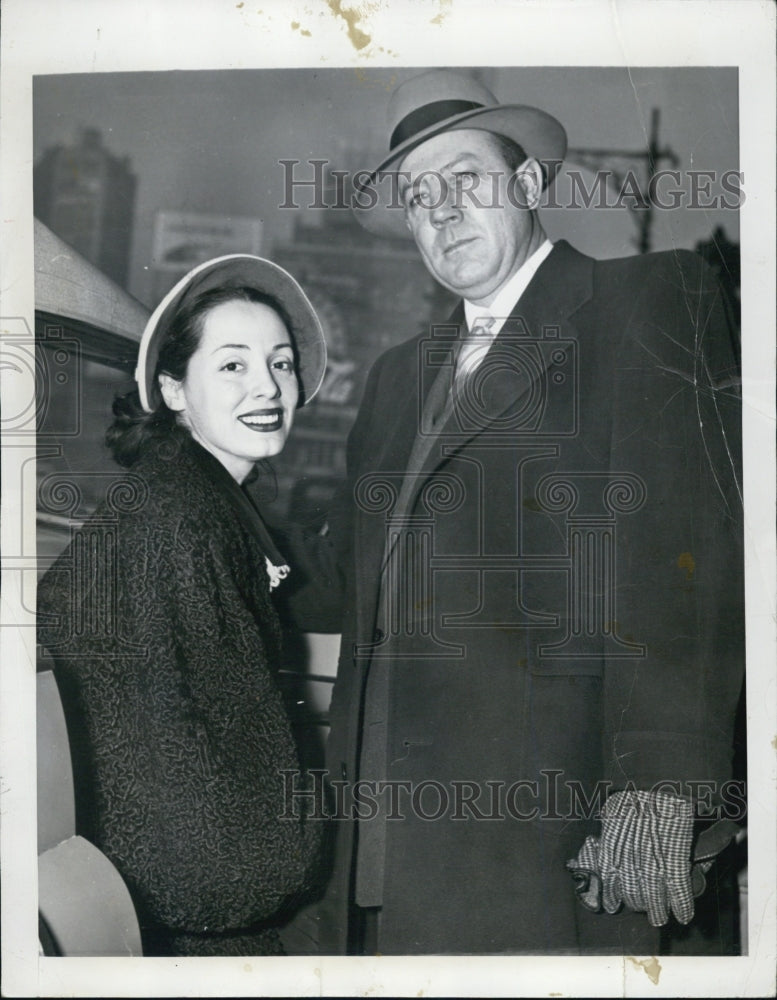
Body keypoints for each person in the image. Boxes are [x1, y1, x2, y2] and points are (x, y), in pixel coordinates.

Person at [318, 70, 745, 954]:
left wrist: (659, 782)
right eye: (416, 196)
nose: (440, 211)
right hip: (388, 843)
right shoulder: (399, 376)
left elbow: (688, 550)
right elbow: (346, 580)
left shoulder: (643, 304)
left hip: (554, 840)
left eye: (464, 180)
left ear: (526, 186)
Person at [37, 255, 328, 956]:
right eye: (232, 366)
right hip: (188, 924)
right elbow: (182, 760)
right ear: (173, 389)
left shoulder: (189, 497)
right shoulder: (184, 520)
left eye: (281, 363)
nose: (267, 386)